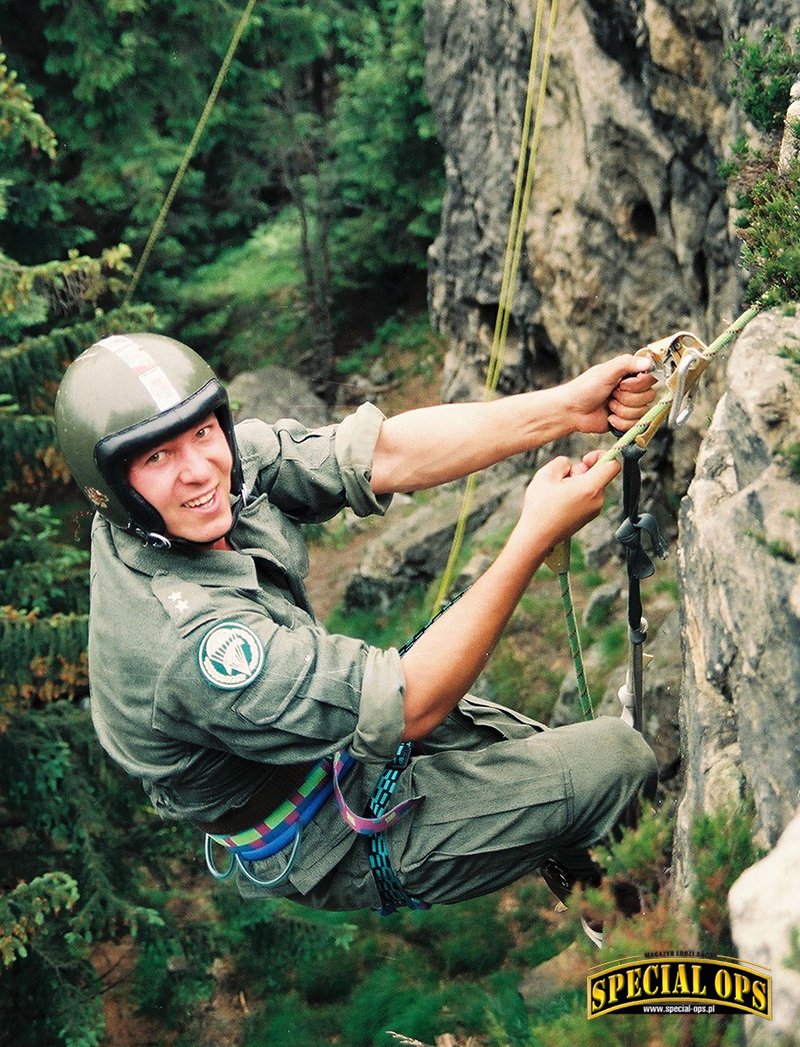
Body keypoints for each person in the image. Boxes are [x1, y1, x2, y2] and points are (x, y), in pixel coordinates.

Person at [54, 331, 658, 929]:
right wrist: (534, 535)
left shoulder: (210, 480)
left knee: (547, 759)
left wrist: (570, 407)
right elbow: (409, 703)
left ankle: (600, 891)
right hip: (323, 835)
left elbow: (382, 455)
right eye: (158, 456)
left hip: (332, 739)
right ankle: (655, 965)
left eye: (203, 432)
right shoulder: (190, 646)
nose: (198, 471)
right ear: (110, 490)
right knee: (617, 760)